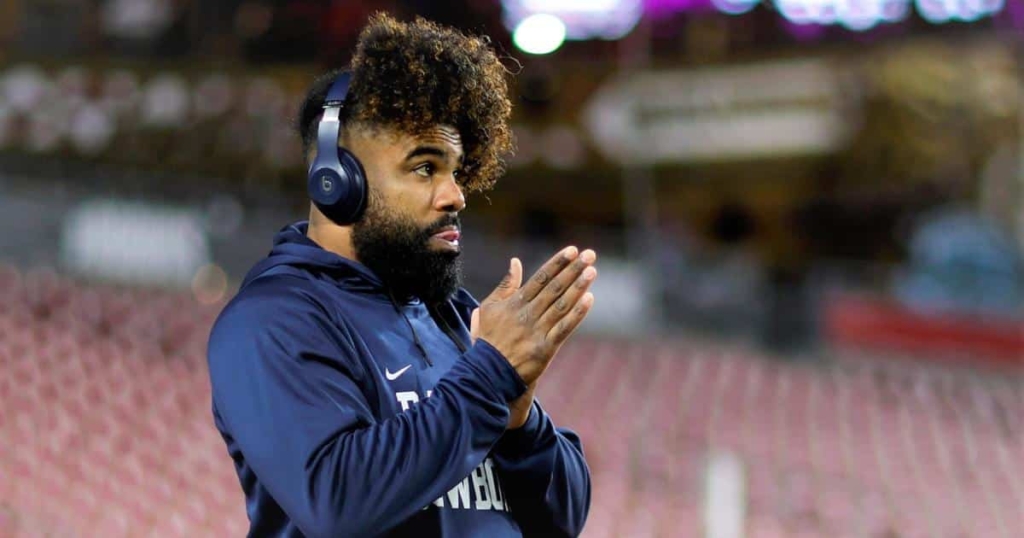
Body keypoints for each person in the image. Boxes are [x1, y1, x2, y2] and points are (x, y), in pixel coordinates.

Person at [206, 13, 596, 538]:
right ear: (337, 180)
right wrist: (489, 378)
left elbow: (561, 521)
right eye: (425, 168)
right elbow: (338, 501)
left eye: (455, 171)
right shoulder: (272, 320)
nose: (456, 195)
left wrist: (521, 420)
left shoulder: (456, 316)